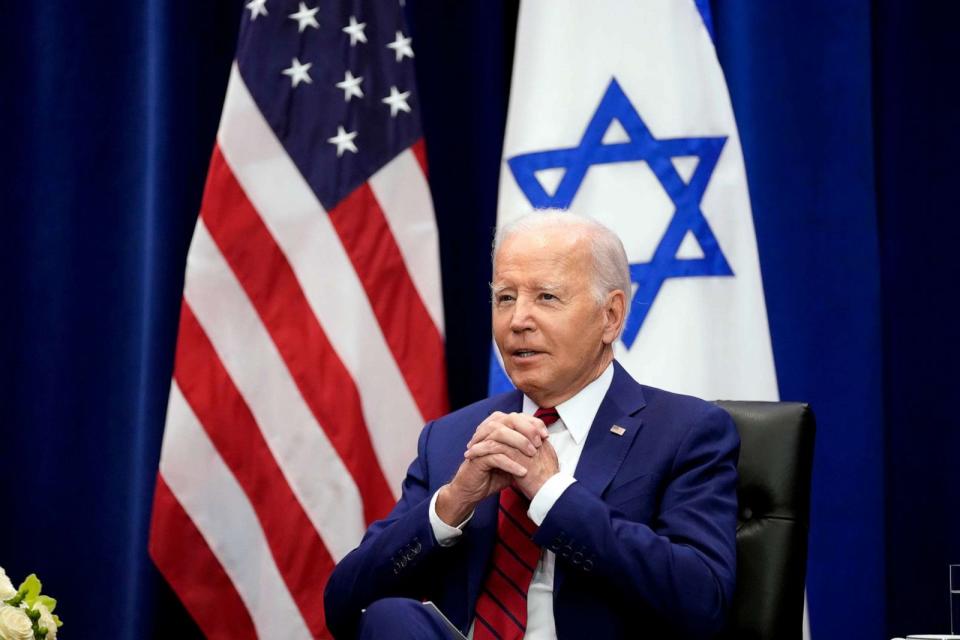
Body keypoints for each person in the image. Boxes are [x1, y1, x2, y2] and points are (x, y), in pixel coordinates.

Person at [324, 211, 740, 639]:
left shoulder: (685, 432)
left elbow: (702, 602)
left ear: (610, 316)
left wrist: (553, 495)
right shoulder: (451, 438)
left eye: (546, 297)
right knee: (389, 618)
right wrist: (450, 506)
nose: (518, 320)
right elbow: (342, 604)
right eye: (505, 298)